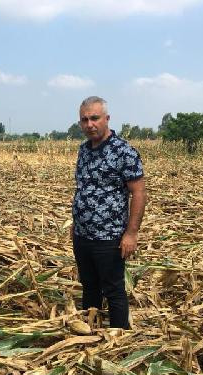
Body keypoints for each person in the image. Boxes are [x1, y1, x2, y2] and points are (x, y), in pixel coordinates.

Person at [71, 96, 146, 329]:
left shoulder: (124, 152)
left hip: (109, 237)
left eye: (94, 118)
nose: (89, 124)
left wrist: (131, 233)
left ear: (107, 119)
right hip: (83, 235)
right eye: (84, 120)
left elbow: (139, 193)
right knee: (89, 286)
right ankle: (91, 332)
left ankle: (118, 337)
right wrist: (75, 224)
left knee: (113, 290)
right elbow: (83, 189)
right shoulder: (84, 150)